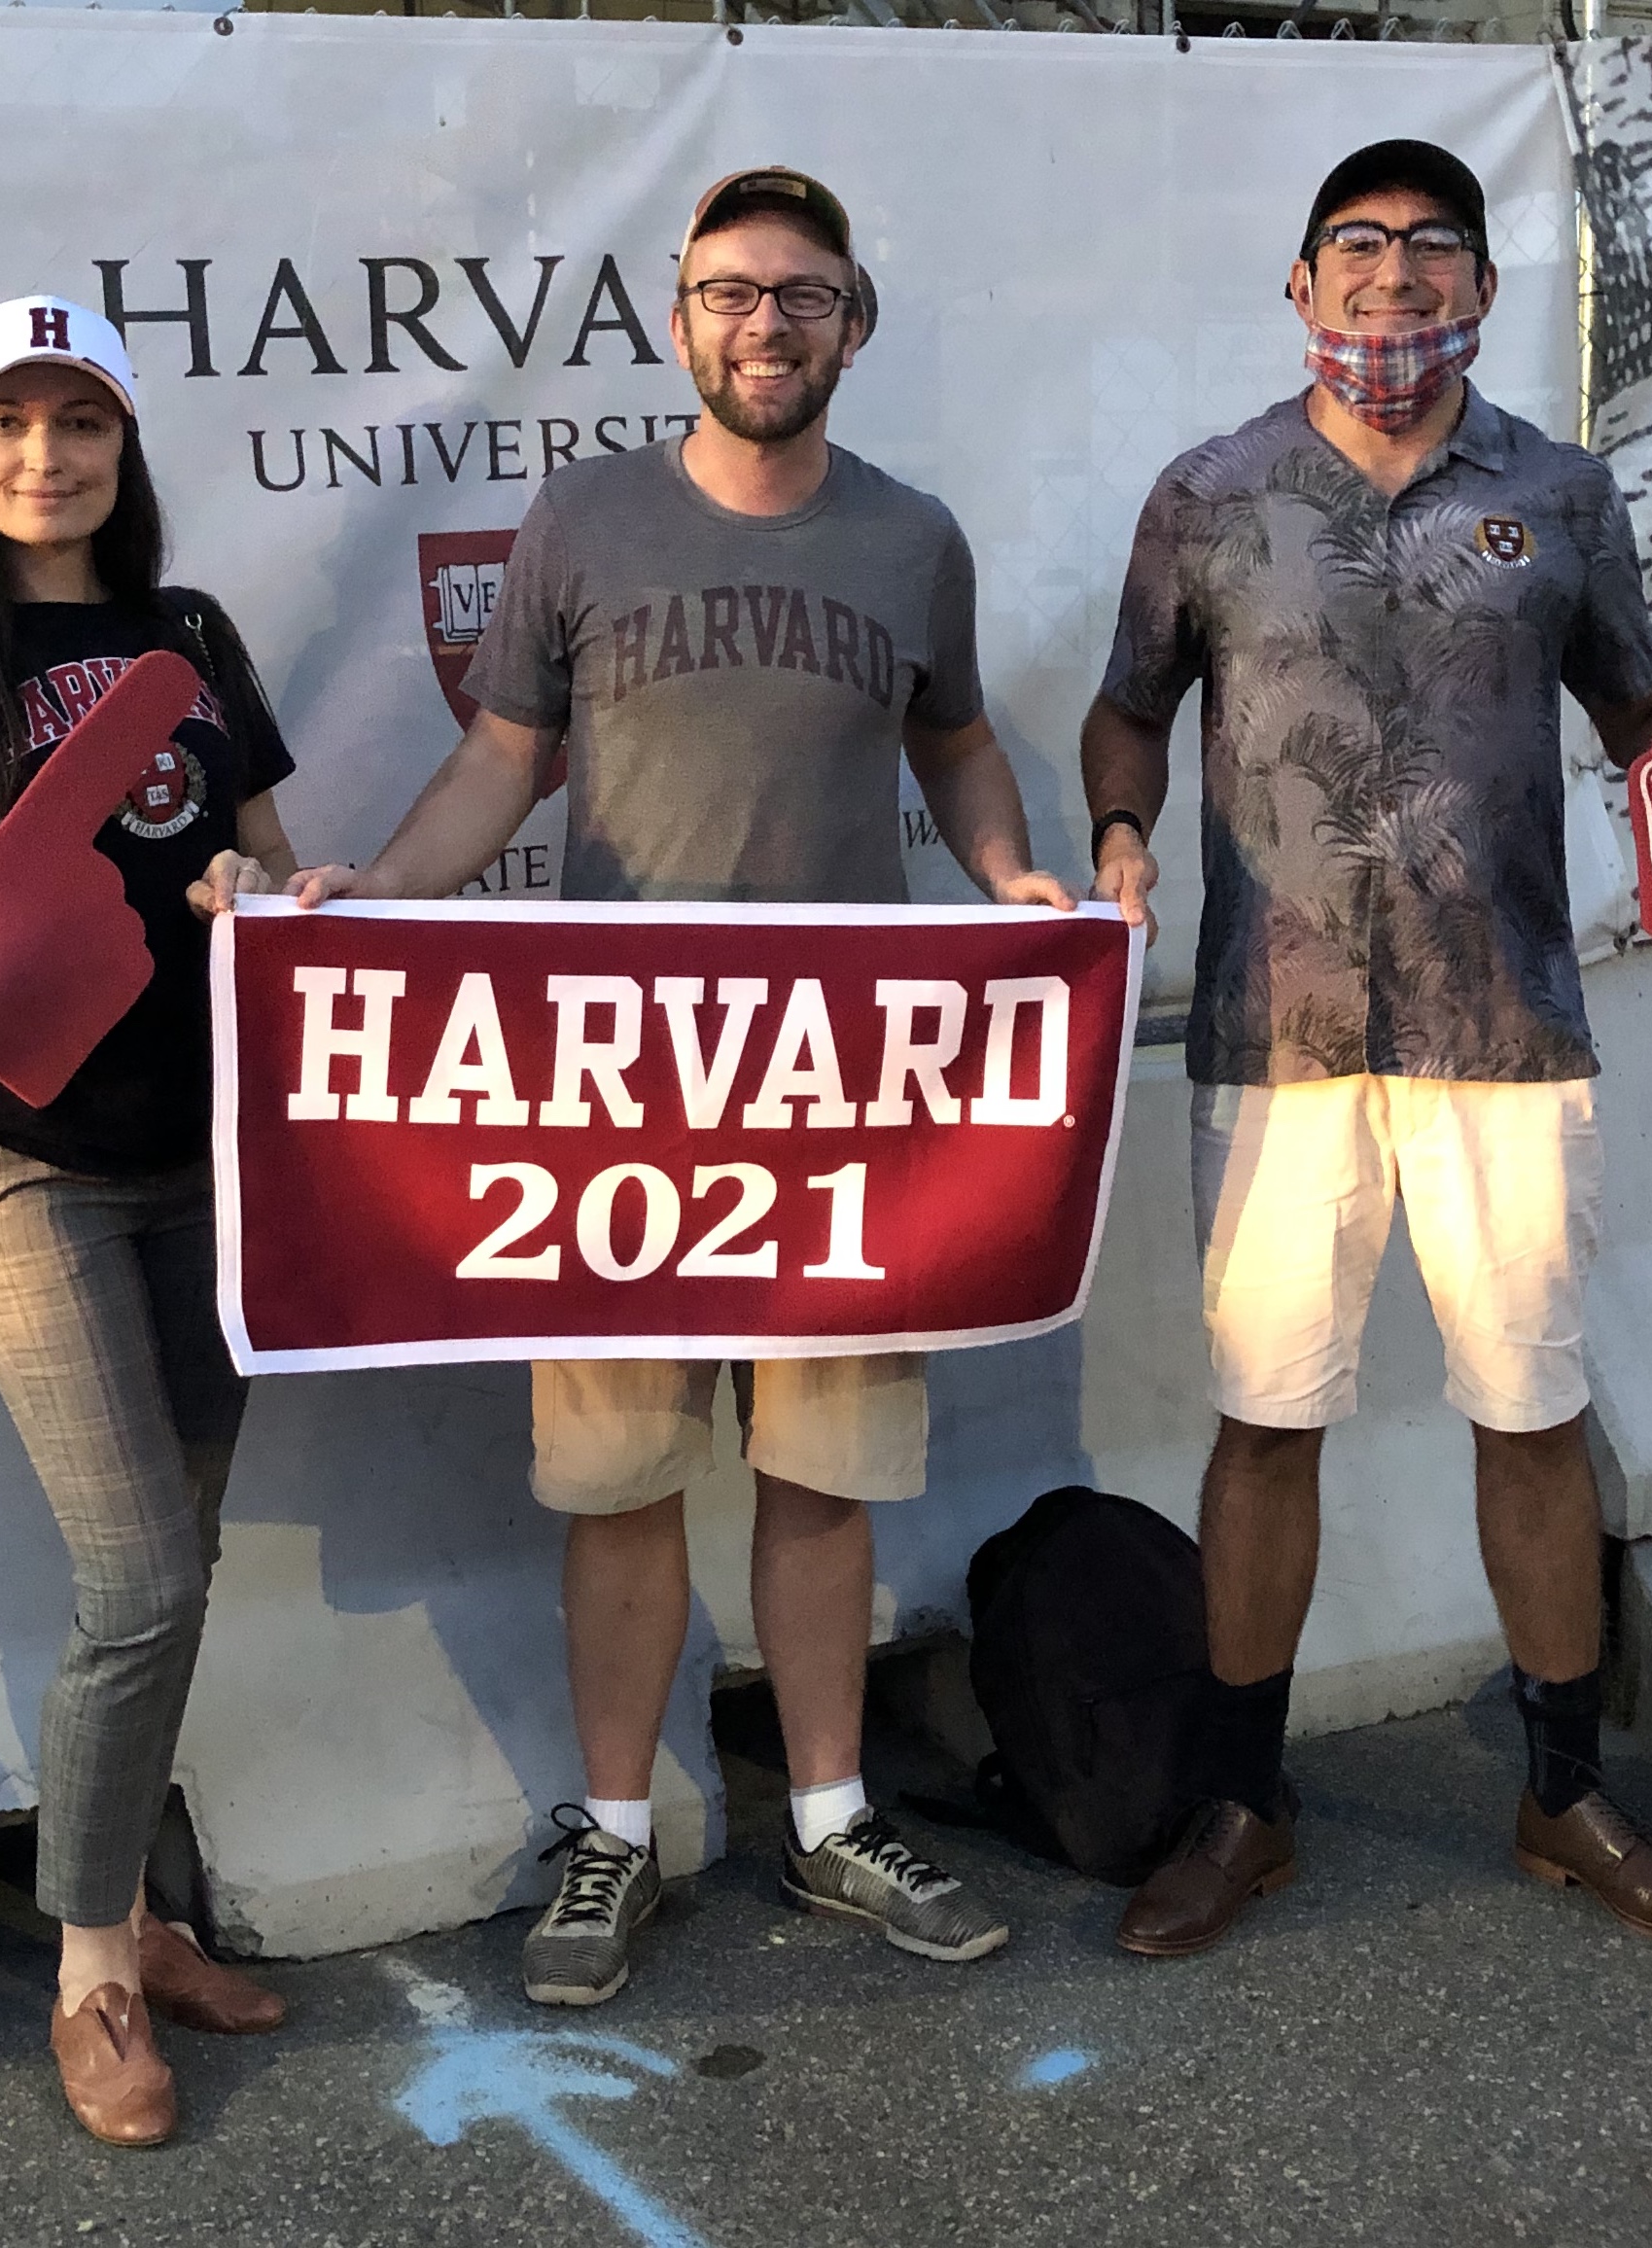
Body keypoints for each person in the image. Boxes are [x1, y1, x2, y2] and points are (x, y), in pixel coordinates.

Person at [272, 168, 1071, 2005]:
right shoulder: (580, 523)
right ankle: (614, 1839)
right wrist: (382, 900)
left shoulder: (911, 540)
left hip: (844, 1098)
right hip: (620, 1093)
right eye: (730, 293)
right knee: (620, 1479)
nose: (764, 324)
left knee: (823, 1471)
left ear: (851, 322)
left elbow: (952, 742)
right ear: (677, 318)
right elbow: (501, 757)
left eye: (801, 295)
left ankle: (828, 1819)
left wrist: (1008, 875)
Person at [1079, 142, 1652, 1959]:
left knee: (1528, 1413)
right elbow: (1128, 707)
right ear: (1299, 289)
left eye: (1432, 250)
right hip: (1272, 1032)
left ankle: (1559, 1794)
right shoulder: (1208, 494)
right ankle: (1240, 1803)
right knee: (1263, 1420)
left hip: (1504, 1024)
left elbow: (1640, 708)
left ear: (1481, 291)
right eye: (1353, 250)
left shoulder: (1558, 490)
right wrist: (1120, 838)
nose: (1391, 280)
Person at [0, 296, 300, 2145]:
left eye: (79, 421)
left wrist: (260, 890)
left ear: (123, 445)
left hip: (217, 1156)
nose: (45, 457)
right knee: (139, 1581)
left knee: (178, 1560)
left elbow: (259, 853)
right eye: (8, 425)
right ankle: (93, 1967)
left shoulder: (186, 637)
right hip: (20, 1158)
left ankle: (142, 1922)